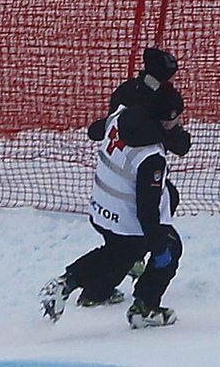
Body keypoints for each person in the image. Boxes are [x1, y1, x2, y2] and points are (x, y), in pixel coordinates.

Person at [41, 83, 188, 329]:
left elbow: (94, 130)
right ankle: (145, 308)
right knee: (170, 247)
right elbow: (147, 209)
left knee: (117, 254)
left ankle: (67, 283)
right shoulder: (151, 156)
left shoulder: (120, 116)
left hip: (101, 207)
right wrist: (158, 246)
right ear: (166, 120)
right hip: (125, 218)